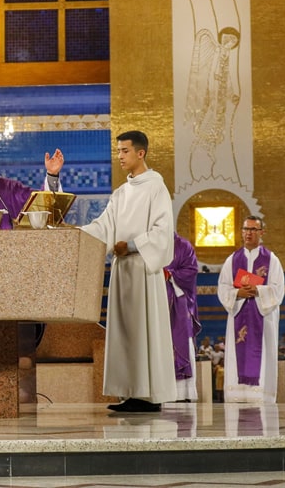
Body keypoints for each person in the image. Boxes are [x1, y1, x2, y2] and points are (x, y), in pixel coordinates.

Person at [81, 130, 176, 412]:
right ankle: (132, 392)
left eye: (124, 151)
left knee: (143, 330)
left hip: (144, 270)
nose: (119, 156)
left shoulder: (156, 187)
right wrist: (76, 235)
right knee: (126, 331)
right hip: (123, 271)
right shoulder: (121, 193)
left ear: (140, 153)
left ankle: (149, 394)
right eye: (118, 151)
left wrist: (132, 245)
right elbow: (104, 226)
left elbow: (162, 232)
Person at [217, 215, 285, 403]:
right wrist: (237, 294)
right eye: (246, 229)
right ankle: (238, 395)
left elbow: (278, 290)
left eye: (253, 230)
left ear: (262, 232)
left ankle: (261, 395)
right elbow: (223, 287)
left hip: (263, 318)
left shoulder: (271, 260)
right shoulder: (232, 260)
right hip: (239, 313)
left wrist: (257, 290)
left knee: (262, 354)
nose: (248, 233)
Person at [164, 232, 202, 401]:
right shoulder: (149, 243)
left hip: (178, 304)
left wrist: (170, 274)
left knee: (179, 340)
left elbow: (191, 270)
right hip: (153, 300)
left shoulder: (183, 246)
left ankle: (182, 393)